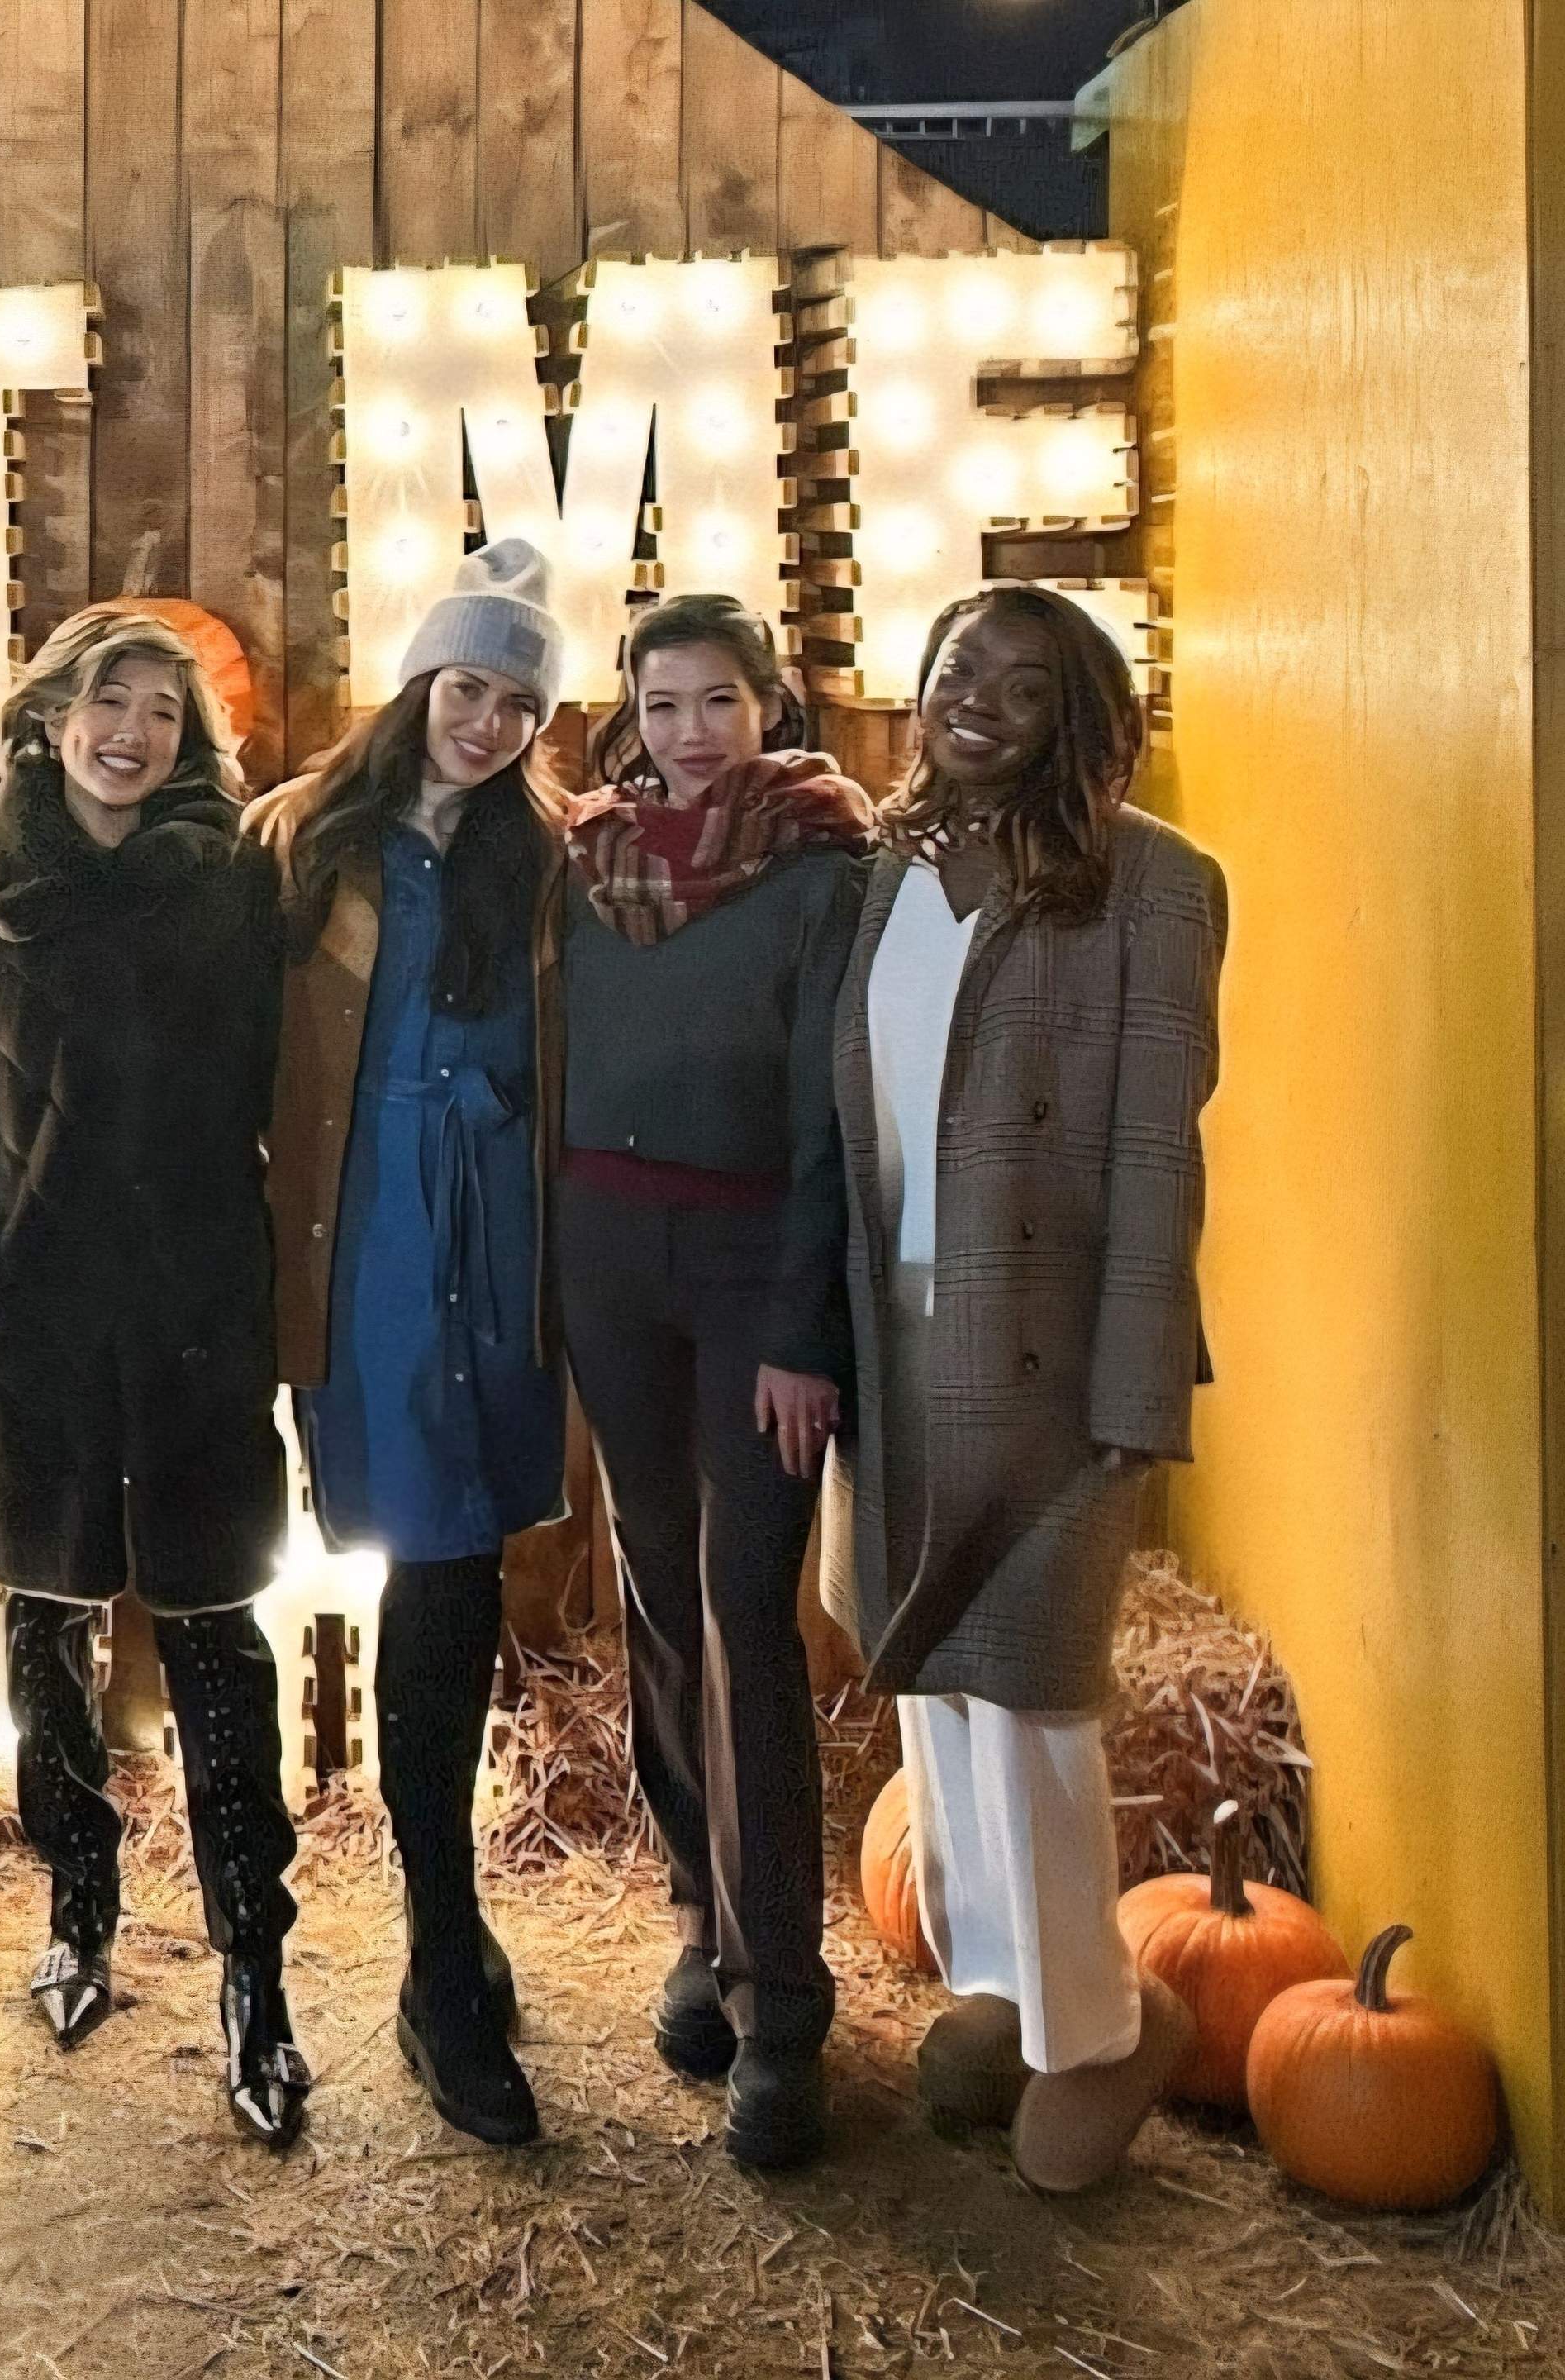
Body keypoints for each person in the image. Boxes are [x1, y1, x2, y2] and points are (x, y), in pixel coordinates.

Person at [0, 605, 311, 2149]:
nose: (130, 733)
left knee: (214, 1646)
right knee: (47, 1630)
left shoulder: (233, 895)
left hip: (190, 1327)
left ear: (193, 742)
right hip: (27, 1330)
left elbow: (291, 1089)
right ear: (51, 721)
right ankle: (79, 1905)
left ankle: (254, 1970)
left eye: (162, 713)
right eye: (106, 704)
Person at [832, 582, 1224, 2192]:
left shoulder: (1155, 888)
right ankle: (1001, 1982)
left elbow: (1155, 1154)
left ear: (1084, 710)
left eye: (1019, 677)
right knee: (932, 1687)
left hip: (1055, 1365)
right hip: (898, 1346)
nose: (974, 695)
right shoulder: (887, 873)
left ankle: (1106, 2026)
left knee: (1037, 1705)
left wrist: (1139, 1390)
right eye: (952, 668)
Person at [244, 538, 570, 2148]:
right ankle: (444, 1961)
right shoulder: (305, 840)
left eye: (520, 702)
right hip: (363, 1258)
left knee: (465, 1586)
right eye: (468, 687)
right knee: (427, 1582)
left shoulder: (552, 864)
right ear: (420, 683)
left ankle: (452, 1930)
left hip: (499, 1272)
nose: (488, 723)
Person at [555, 593, 868, 2169]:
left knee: (750, 1612)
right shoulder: (582, 865)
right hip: (607, 1276)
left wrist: (810, 1329)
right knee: (658, 1601)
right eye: (664, 703)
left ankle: (785, 2007)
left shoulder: (825, 864)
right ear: (631, 713)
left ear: (768, 705)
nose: (691, 731)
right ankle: (700, 1923)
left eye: (720, 701)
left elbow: (834, 1120)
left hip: (754, 1283)